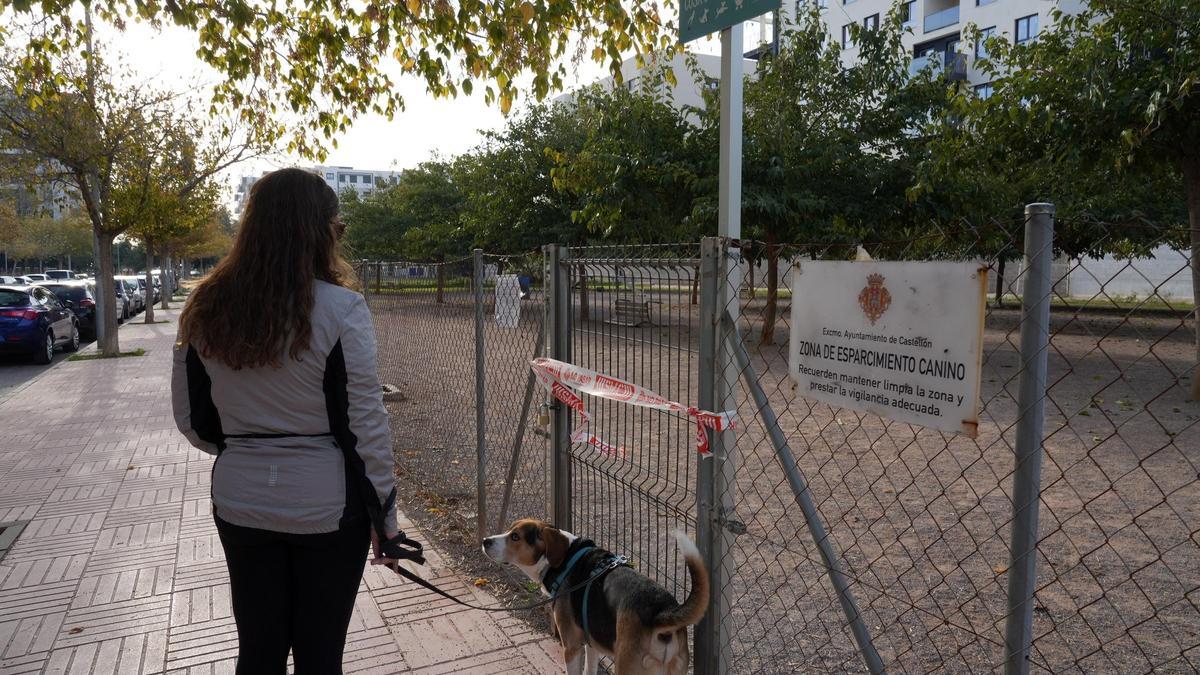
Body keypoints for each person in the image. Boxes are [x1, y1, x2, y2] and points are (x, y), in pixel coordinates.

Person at [171, 167, 415, 674]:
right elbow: (365, 425)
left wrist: (246, 447)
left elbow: (191, 418)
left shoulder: (204, 305)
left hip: (239, 497)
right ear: (320, 231)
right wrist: (385, 524)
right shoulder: (342, 308)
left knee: (257, 651)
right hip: (326, 506)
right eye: (338, 228)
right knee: (320, 656)